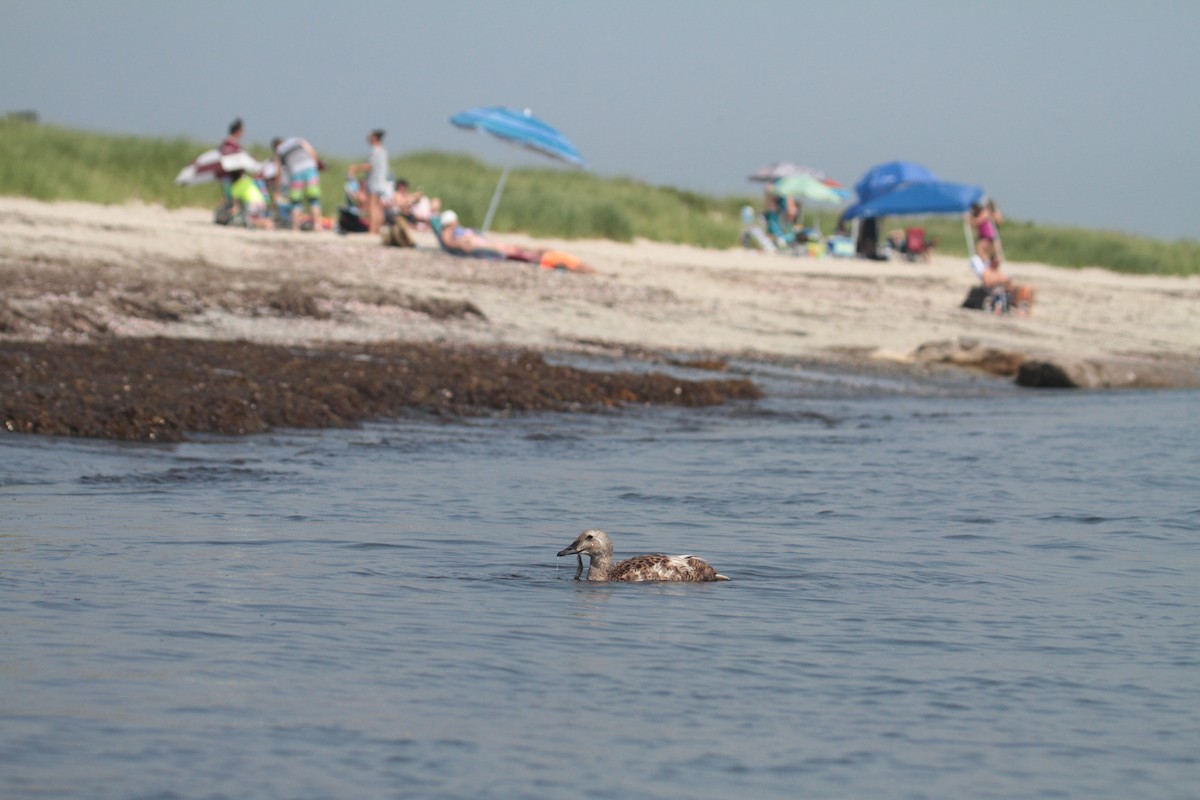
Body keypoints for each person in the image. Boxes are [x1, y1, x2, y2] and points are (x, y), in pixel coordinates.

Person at [436, 210, 594, 273]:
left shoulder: (456, 230)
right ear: (451, 221)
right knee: (538, 256)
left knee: (538, 250)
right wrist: (463, 244)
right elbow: (449, 243)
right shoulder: (449, 233)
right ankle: (583, 268)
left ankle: (585, 268)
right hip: (491, 249)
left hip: (494, 245)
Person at [272, 136, 324, 231]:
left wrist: (277, 189)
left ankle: (295, 228)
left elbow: (279, 171)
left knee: (296, 202)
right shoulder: (297, 140)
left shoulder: (279, 151)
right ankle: (317, 225)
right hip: (310, 169)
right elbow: (311, 152)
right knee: (314, 199)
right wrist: (316, 167)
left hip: (295, 172)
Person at [349, 129, 389, 234]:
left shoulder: (375, 150)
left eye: (370, 137)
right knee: (378, 206)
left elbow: (369, 166)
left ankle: (372, 229)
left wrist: (355, 168)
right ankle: (378, 229)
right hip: (381, 182)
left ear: (375, 138)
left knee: (372, 205)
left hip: (374, 182)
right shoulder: (383, 150)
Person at [217, 118, 244, 210]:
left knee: (229, 196)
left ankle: (226, 212)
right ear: (237, 131)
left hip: (228, 175)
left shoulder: (226, 143)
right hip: (229, 175)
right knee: (230, 196)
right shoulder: (231, 144)